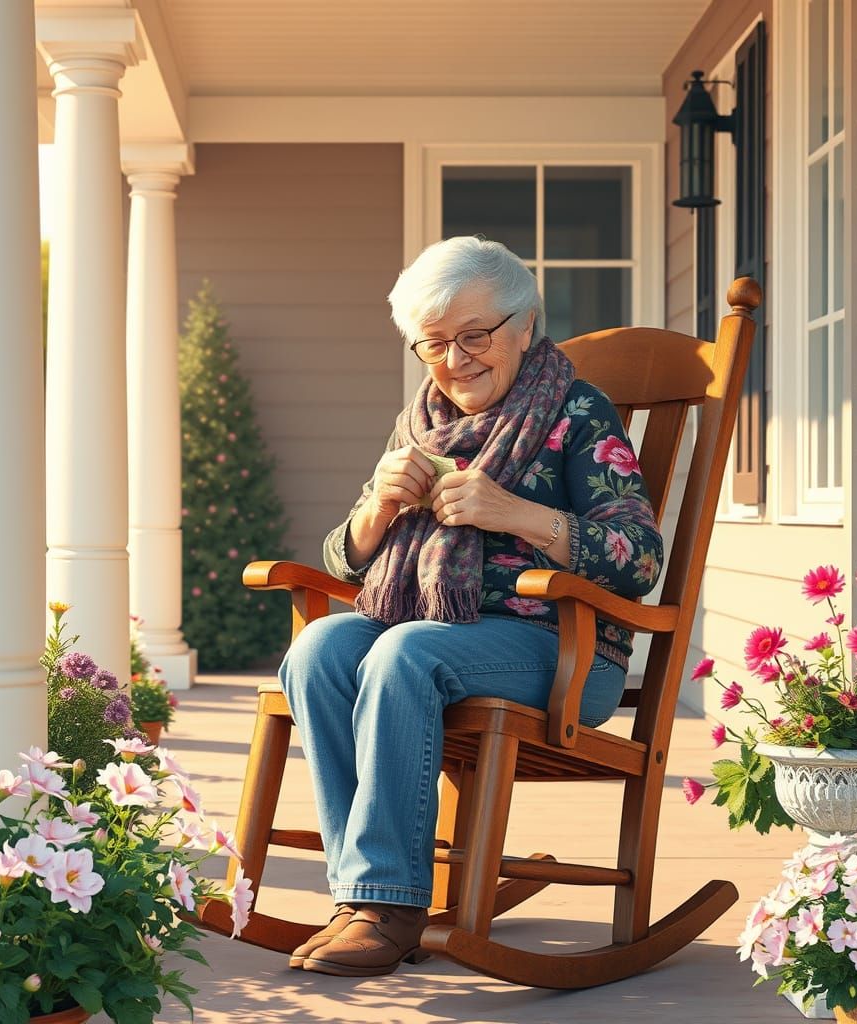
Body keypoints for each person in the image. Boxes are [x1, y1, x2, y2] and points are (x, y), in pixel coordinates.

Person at [279, 236, 663, 977]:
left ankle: (388, 905)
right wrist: (377, 511)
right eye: (434, 344)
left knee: (402, 651)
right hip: (433, 636)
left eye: (475, 336)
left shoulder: (578, 412)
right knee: (320, 650)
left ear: (524, 325)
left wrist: (515, 513)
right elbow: (343, 560)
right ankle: (359, 899)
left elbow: (639, 558)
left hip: (561, 650)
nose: (456, 361)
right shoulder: (419, 420)